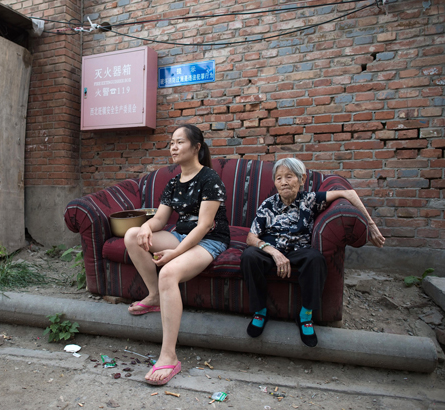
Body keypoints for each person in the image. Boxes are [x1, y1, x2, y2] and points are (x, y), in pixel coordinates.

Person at [124, 124, 230, 385]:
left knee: (169, 272)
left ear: (196, 147)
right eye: (171, 142)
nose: (173, 147)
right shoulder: (173, 182)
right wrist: (146, 228)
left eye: (179, 142)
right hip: (181, 235)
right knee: (131, 236)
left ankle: (168, 356)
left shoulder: (209, 179)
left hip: (209, 240)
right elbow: (160, 218)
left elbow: (204, 225)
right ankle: (155, 296)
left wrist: (173, 254)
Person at [242, 157, 385, 347]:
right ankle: (260, 311)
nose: (283, 182)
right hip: (271, 250)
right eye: (279, 178)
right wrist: (274, 252)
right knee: (249, 256)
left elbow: (349, 193)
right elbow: (251, 237)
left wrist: (371, 225)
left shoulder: (310, 200)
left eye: (289, 176)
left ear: (301, 179)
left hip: (300, 251)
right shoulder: (268, 204)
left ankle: (305, 315)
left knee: (316, 259)